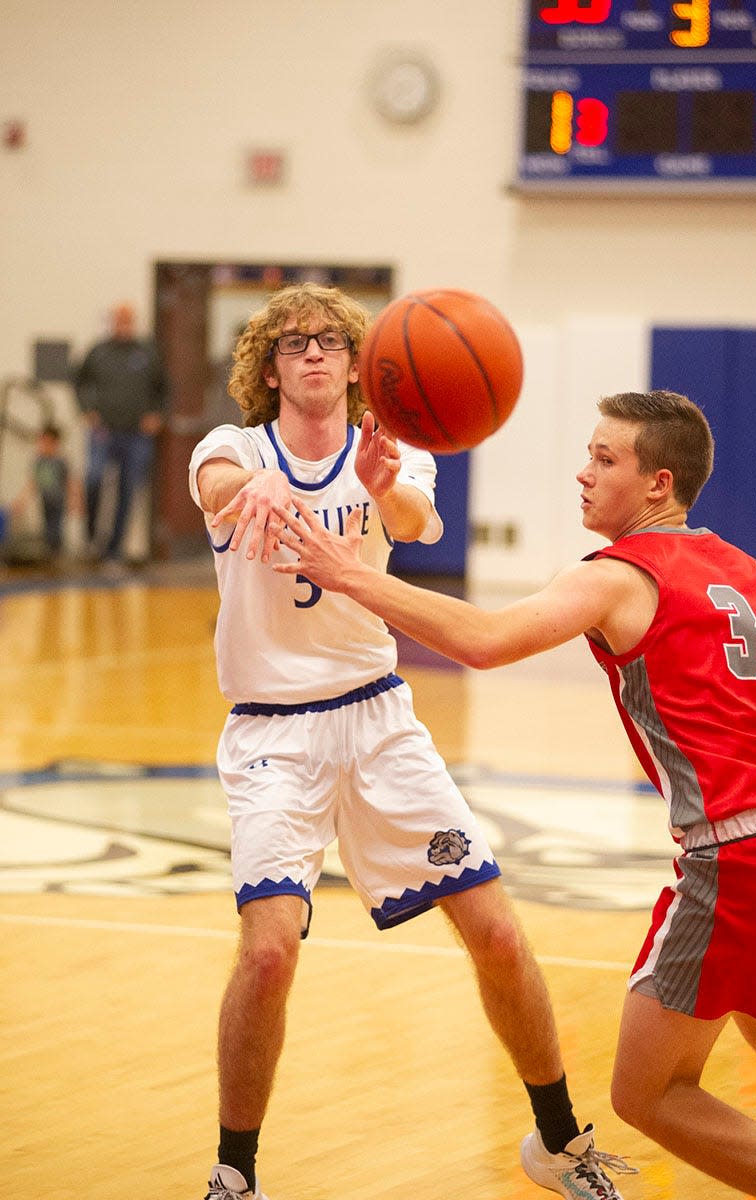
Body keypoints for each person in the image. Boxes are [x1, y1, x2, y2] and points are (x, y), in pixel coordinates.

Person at [274, 388, 756, 1200]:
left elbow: (485, 642)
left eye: (605, 459)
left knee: (648, 1094)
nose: (582, 473)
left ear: (658, 485)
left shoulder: (619, 577)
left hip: (738, 852)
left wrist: (350, 576)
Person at [188, 282, 634, 1200]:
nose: (312, 353)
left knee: (499, 934)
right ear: (268, 369)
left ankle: (558, 1141)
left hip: (378, 719)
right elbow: (215, 485)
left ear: (358, 363)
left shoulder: (393, 451)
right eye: (293, 342)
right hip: (274, 732)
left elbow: (413, 525)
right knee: (269, 952)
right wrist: (251, 484)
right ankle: (235, 1173)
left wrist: (387, 489)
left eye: (329, 341)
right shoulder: (233, 449)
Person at [74, 301, 168, 564]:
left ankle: (113, 550)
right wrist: (86, 409)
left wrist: (157, 415)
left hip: (136, 435)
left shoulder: (147, 353)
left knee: (128, 491)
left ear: (134, 322)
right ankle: (93, 538)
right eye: (119, 319)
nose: (123, 324)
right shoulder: (99, 351)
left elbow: (163, 389)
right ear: (112, 321)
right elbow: (79, 381)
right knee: (93, 480)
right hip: (103, 431)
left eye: (128, 320)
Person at [10, 423, 83, 563]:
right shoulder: (39, 461)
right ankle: (51, 556)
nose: (45, 445)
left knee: (56, 530)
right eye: (43, 441)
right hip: (46, 501)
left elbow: (69, 481)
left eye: (48, 442)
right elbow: (33, 483)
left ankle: (56, 556)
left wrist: (75, 500)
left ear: (56, 443)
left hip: (58, 502)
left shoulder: (61, 461)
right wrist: (21, 501)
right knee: (47, 530)